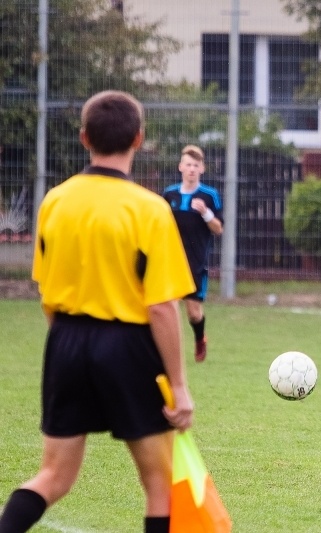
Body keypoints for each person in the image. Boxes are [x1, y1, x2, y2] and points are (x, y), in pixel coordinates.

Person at [0, 90, 196, 533]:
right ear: (140, 139)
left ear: (85, 138)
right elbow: (162, 306)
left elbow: (46, 291)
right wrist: (179, 387)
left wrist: (71, 341)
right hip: (127, 346)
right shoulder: (149, 209)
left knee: (54, 476)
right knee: (159, 485)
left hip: (65, 339)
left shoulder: (55, 200)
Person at [162, 145, 223, 362]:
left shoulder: (209, 196)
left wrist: (206, 214)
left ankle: (200, 339)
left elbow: (219, 229)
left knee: (194, 312)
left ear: (202, 169)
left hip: (195, 262)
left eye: (196, 165)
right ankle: (165, 351)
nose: (191, 169)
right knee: (165, 307)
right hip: (170, 260)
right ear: (180, 167)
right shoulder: (169, 194)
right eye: (188, 164)